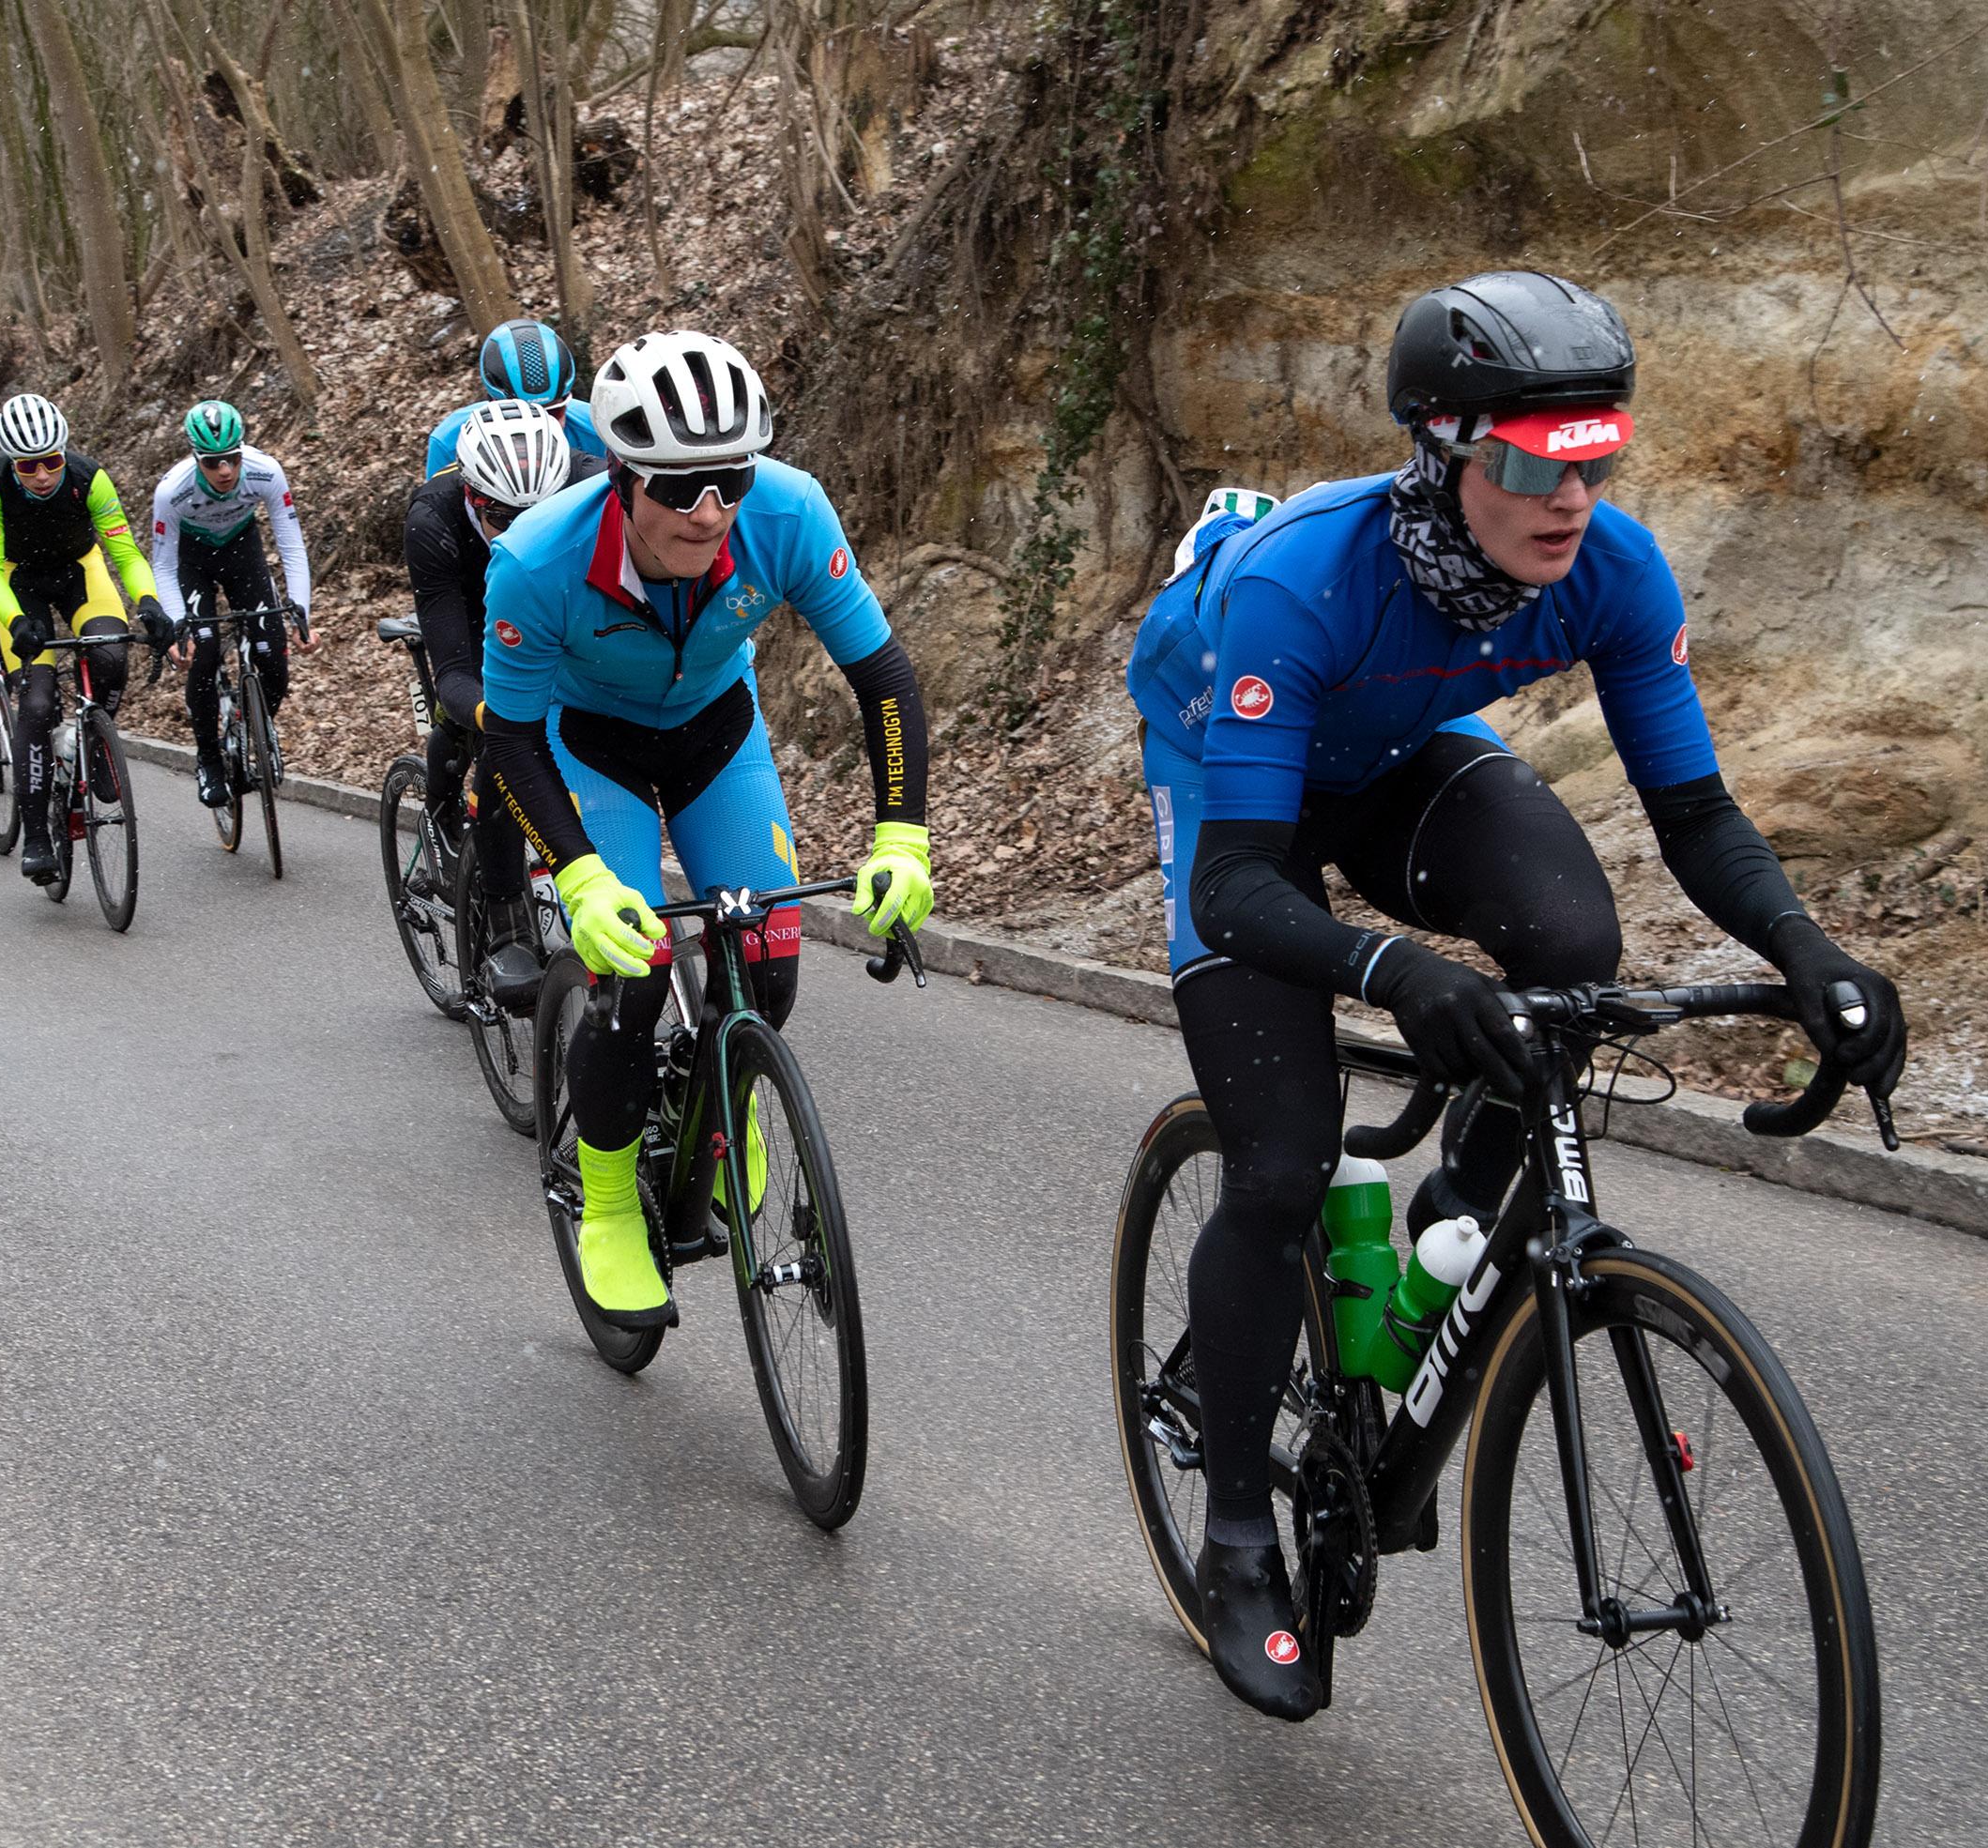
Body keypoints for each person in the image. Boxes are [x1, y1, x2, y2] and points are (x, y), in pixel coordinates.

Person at [1124, 270, 1908, 1724]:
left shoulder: (1613, 571)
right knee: (1284, 1161)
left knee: (1571, 945)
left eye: (1595, 458)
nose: (1573, 498)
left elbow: (1697, 814)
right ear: (1443, 454)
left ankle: (1450, 1236)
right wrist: (1401, 970)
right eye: (1536, 465)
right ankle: (1238, 1540)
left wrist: (1811, 953)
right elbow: (1236, 888)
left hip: (1396, 751)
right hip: (1237, 797)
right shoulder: (1309, 576)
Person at [479, 329, 935, 1328]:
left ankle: (724, 1094)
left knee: (766, 973)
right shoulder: (534, 560)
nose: (709, 511)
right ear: (624, 478)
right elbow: (507, 739)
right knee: (631, 973)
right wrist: (584, 877)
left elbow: (885, 678)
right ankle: (605, 1205)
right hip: (583, 746)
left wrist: (902, 832)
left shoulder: (787, 511)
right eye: (679, 489)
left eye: (727, 478)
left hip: (716, 735)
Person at [405, 399, 600, 1001]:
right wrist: (504, 717)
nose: (522, 534)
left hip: (555, 613)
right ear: (471, 493)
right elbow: (455, 670)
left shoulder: (596, 484)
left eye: (539, 514)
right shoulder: (433, 519)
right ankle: (505, 919)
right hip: (471, 607)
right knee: (493, 740)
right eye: (502, 516)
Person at [0, 391, 173, 881]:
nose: (42, 475)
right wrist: (16, 622)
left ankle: (97, 744)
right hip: (19, 582)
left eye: (51, 462)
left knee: (110, 654)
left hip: (80, 571)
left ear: (65, 452)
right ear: (12, 465)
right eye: (28, 466)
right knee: (36, 705)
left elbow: (124, 552)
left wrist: (148, 602)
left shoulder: (88, 477)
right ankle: (37, 834)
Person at [146, 400, 314, 808]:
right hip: (191, 559)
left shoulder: (265, 471)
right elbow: (163, 566)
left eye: (232, 459)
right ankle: (208, 759)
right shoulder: (173, 490)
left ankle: (248, 722)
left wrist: (301, 611)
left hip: (243, 550)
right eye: (213, 462)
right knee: (202, 657)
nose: (225, 470)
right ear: (196, 458)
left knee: (273, 657)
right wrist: (177, 624)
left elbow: (291, 544)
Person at [422, 318, 609, 480]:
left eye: (554, 412)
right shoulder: (448, 443)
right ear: (492, 402)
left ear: (568, 398)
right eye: (522, 416)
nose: (542, 426)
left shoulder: (599, 430)